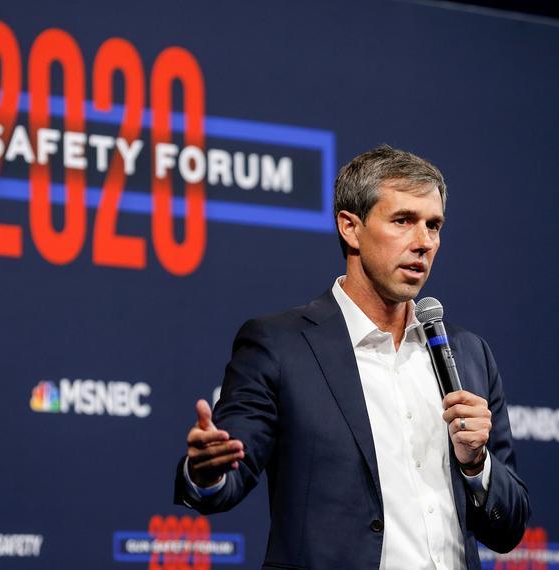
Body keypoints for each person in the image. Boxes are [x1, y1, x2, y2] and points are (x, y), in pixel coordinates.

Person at [174, 145, 530, 569]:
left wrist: (477, 466)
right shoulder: (281, 346)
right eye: (403, 221)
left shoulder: (469, 354)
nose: (424, 243)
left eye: (434, 226)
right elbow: (230, 472)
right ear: (350, 227)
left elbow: (509, 529)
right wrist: (207, 472)